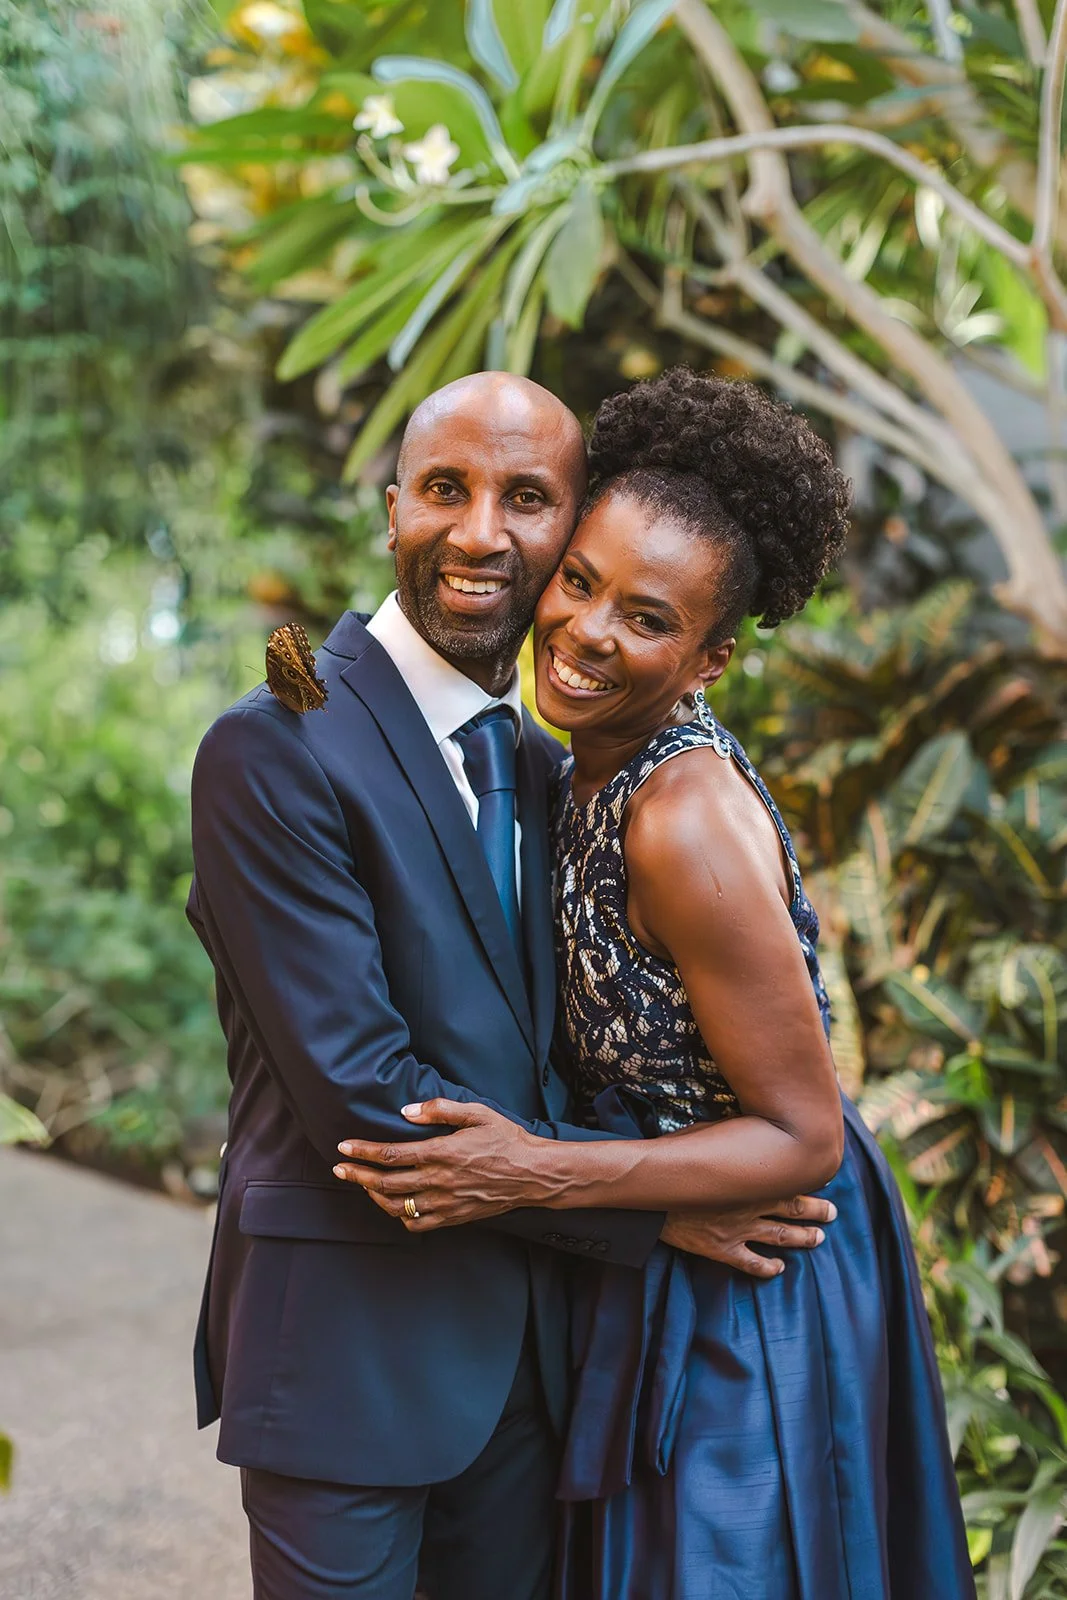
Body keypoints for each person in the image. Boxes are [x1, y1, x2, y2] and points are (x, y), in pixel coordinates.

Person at [186, 371, 834, 1600]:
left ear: (568, 525)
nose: (482, 530)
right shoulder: (271, 750)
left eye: (527, 499)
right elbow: (372, 1105)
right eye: (446, 488)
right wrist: (639, 1213)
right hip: (347, 1364)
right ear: (392, 511)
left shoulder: (556, 763)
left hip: (540, 1371)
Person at [333, 369, 975, 1599]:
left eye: (645, 617)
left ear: (710, 656)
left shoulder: (680, 817)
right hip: (662, 1229)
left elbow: (800, 1134)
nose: (581, 631)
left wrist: (531, 1169)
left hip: (756, 1271)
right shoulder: (562, 761)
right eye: (577, 582)